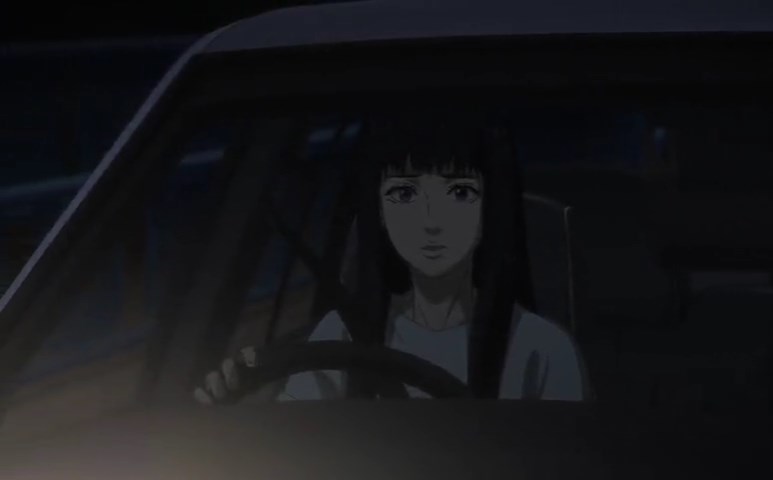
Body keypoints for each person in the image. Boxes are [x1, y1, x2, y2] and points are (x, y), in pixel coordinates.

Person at [195, 114, 588, 402]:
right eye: (405, 194)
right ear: (379, 212)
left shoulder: (542, 348)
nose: (431, 222)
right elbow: (293, 447)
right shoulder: (340, 334)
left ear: (488, 209)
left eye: (458, 193)